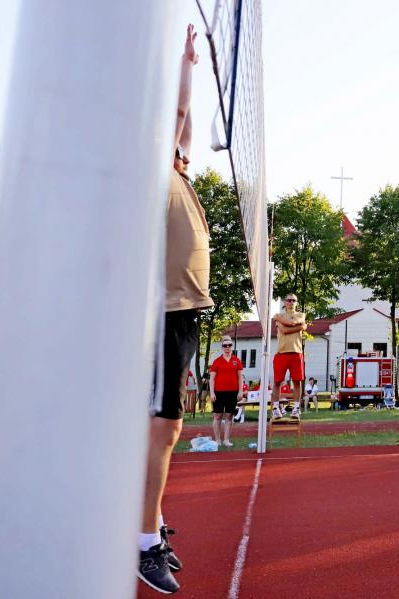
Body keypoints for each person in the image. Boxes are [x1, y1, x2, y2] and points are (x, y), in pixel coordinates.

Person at [139, 24, 209, 593]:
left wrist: (187, 65)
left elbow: (184, 118)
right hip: (163, 310)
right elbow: (177, 115)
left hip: (182, 311)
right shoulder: (149, 170)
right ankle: (144, 541)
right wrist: (176, 76)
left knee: (165, 427)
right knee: (164, 427)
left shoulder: (177, 170)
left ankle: (153, 521)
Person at [272, 293, 306, 419]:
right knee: (277, 382)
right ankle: (276, 408)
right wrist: (300, 327)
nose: (291, 302)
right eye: (288, 300)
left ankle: (296, 409)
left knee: (297, 381)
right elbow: (284, 330)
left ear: (296, 302)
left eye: (293, 300)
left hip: (296, 352)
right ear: (284, 302)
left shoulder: (301, 315)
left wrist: (282, 320)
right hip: (281, 353)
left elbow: (292, 323)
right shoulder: (280, 315)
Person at [209, 336, 244, 447]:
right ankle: (217, 440)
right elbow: (212, 379)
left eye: (229, 345)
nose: (227, 347)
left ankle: (226, 440)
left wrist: (240, 391)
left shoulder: (237, 361)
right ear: (222, 347)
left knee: (229, 416)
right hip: (218, 392)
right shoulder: (217, 361)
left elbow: (240, 377)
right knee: (218, 416)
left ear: (232, 347)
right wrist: (212, 393)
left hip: (233, 392)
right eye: (225, 345)